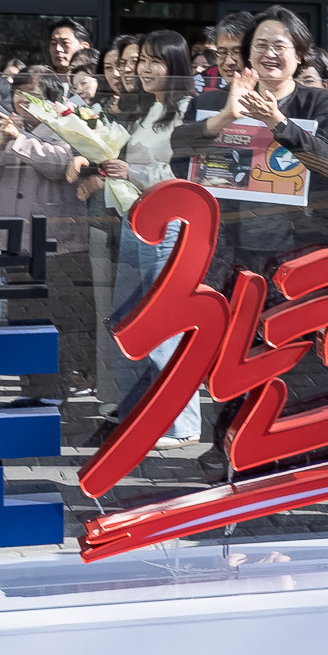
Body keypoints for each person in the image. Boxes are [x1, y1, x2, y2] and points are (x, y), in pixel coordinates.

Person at [175, 7, 328, 481]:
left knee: (297, 351)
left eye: (280, 46)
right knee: (231, 352)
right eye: (261, 45)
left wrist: (280, 123)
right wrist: (227, 116)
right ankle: (229, 442)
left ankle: (300, 445)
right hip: (232, 255)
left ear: (299, 56)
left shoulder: (319, 104)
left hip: (298, 256)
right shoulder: (215, 97)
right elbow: (178, 155)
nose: (269, 54)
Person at [90, 30, 203, 447]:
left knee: (165, 325)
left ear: (176, 65)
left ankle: (183, 423)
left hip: (171, 226)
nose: (146, 68)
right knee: (132, 321)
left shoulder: (189, 110)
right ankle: (146, 410)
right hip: (136, 224)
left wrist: (132, 173)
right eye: (142, 62)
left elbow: (188, 177)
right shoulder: (144, 110)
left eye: (156, 61)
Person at [0, 71, 96, 403]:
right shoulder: (12, 127)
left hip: (56, 241)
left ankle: (54, 391)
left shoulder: (67, 124)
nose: (21, 100)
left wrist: (20, 140)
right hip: (15, 240)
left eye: (30, 94)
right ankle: (30, 388)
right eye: (17, 93)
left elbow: (60, 165)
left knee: (55, 319)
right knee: (22, 315)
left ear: (51, 98)